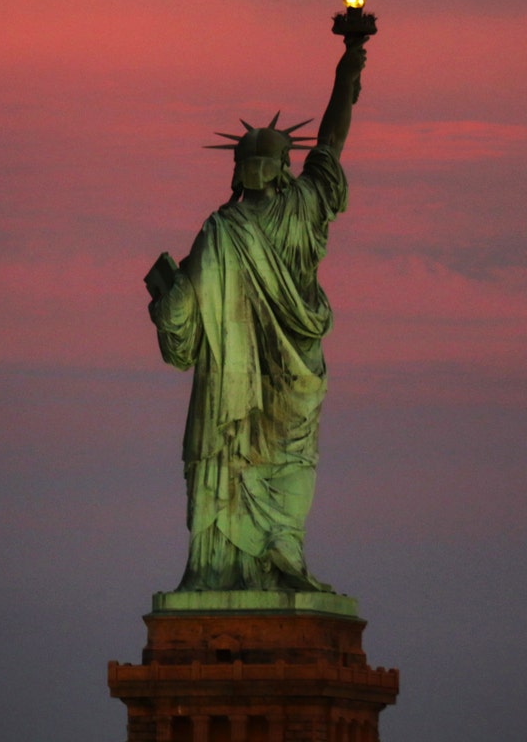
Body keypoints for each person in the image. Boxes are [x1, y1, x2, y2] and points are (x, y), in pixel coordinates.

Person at [144, 35, 369, 592]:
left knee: (235, 455)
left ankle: (226, 566)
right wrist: (350, 63)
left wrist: (162, 297)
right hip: (297, 375)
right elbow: (334, 138)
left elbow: (179, 323)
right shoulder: (306, 204)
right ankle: (280, 556)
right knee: (292, 462)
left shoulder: (220, 232)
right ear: (282, 167)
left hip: (235, 388)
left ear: (241, 171)